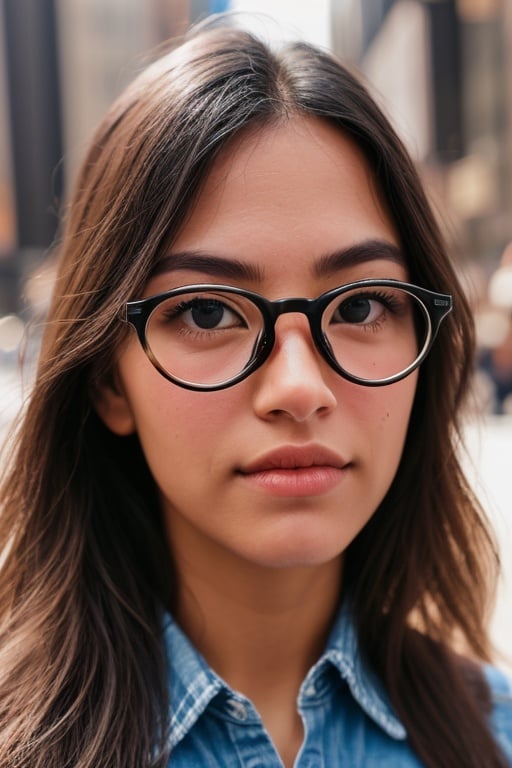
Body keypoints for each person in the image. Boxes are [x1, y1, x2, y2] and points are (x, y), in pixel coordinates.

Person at [0, 16, 511, 768]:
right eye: (207, 312)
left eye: (362, 306)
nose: (299, 388)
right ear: (109, 379)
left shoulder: (491, 737)